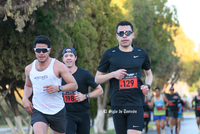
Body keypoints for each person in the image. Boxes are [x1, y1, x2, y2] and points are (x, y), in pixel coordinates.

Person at [95, 21, 153, 134]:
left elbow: (149, 74)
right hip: (117, 104)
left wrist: (147, 86)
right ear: (117, 36)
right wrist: (113, 74)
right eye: (121, 33)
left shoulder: (142, 54)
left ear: (133, 35)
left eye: (127, 32)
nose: (124, 35)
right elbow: (97, 79)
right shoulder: (109, 54)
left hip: (136, 103)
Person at [22, 35, 78, 134]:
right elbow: (28, 86)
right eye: (38, 50)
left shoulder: (59, 66)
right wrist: (25, 98)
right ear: (34, 50)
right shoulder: (29, 69)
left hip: (57, 110)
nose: (41, 53)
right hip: (39, 109)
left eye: (44, 50)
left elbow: (74, 85)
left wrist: (58, 88)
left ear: (49, 50)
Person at [61, 47, 104, 134]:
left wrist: (85, 96)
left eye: (71, 55)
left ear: (75, 58)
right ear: (62, 59)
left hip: (83, 114)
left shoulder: (85, 74)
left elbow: (100, 90)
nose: (68, 58)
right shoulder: (58, 76)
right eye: (66, 56)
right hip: (66, 114)